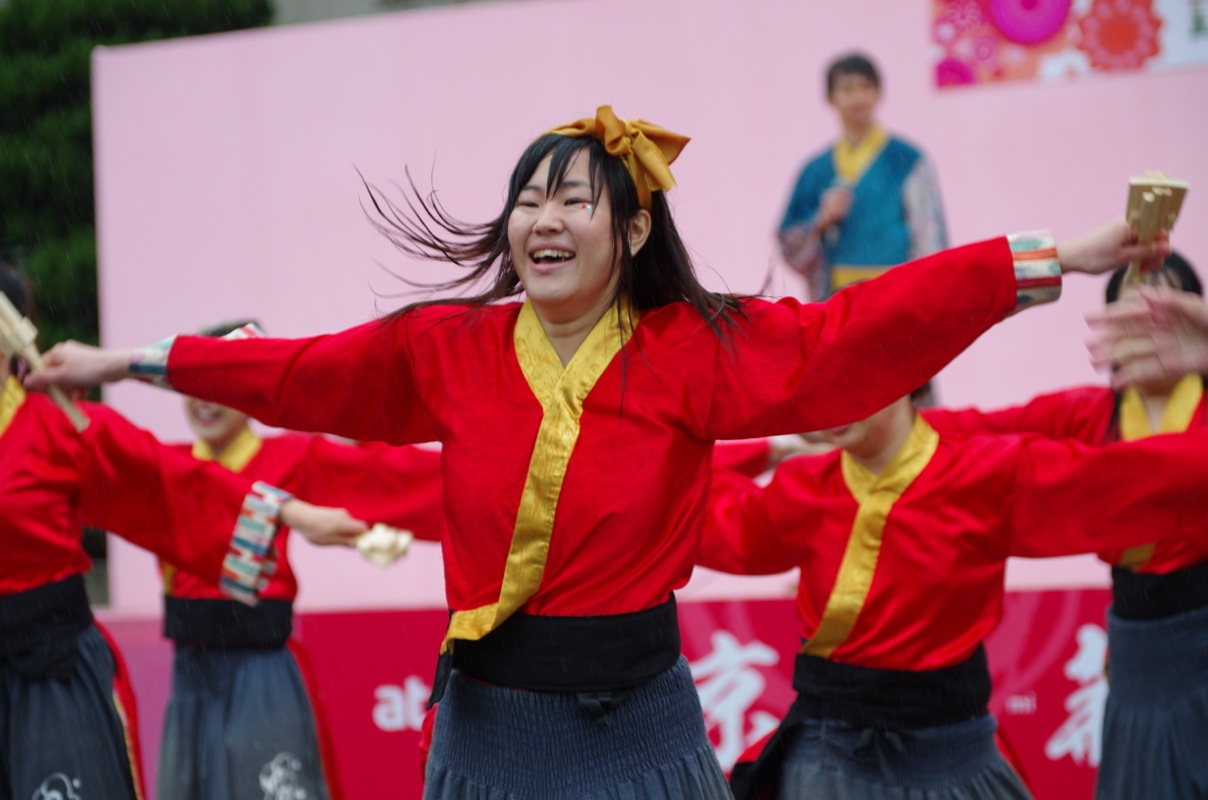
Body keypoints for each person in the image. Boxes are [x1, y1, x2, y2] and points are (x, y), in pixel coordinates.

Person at [28, 105, 1168, 799]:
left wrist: (1057, 255)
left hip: (638, 732)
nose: (541, 217)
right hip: (487, 729)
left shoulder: (695, 349)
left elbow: (848, 336)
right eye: (528, 197)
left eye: (572, 197)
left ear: (629, 230)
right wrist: (131, 361)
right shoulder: (447, 348)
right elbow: (293, 370)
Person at [700, 383, 1208, 799]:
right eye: (822, 384)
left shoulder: (987, 473)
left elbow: (1130, 480)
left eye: (853, 378)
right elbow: (690, 502)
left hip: (958, 760)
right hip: (832, 766)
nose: (832, 402)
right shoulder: (804, 486)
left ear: (906, 374)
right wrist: (772, 447)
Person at [0, 266, 364, 800]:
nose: (210, 402)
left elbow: (175, 486)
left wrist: (293, 515)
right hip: (189, 668)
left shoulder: (60, 426)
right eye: (204, 389)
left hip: (64, 666)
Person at [924, 253, 1208, 800]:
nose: (1144, 331)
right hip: (1135, 657)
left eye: (1160, 314)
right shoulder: (1086, 415)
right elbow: (974, 431)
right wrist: (868, 427)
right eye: (1128, 315)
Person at [157, 318, 445, 800]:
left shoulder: (293, 458)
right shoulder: (164, 466)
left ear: (248, 392)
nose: (205, 401)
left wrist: (488, 480)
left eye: (221, 386)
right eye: (195, 385)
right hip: (188, 674)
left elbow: (392, 480)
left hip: (260, 670)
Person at [778, 53, 947, 300]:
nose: (858, 96)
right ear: (830, 98)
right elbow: (788, 240)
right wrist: (820, 221)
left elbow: (929, 234)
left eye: (866, 87)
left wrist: (926, 294)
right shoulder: (816, 169)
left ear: (879, 93)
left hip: (896, 292)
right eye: (847, 89)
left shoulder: (908, 161)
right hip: (835, 296)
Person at [1088, 279, 1208, 386]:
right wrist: (1069, 261)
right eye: (1135, 311)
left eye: (1165, 312)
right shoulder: (1080, 405)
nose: (1152, 328)